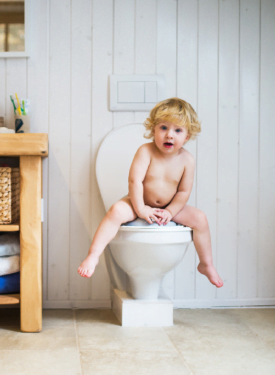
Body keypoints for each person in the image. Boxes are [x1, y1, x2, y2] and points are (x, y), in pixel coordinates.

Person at [78, 97, 223, 288]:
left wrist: (170, 211)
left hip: (170, 206)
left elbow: (183, 191)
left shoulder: (187, 160)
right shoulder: (145, 151)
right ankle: (93, 255)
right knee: (115, 212)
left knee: (200, 219)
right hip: (138, 201)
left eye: (177, 130)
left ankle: (206, 264)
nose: (169, 135)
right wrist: (140, 209)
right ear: (153, 129)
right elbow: (135, 181)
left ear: (187, 136)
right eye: (163, 128)